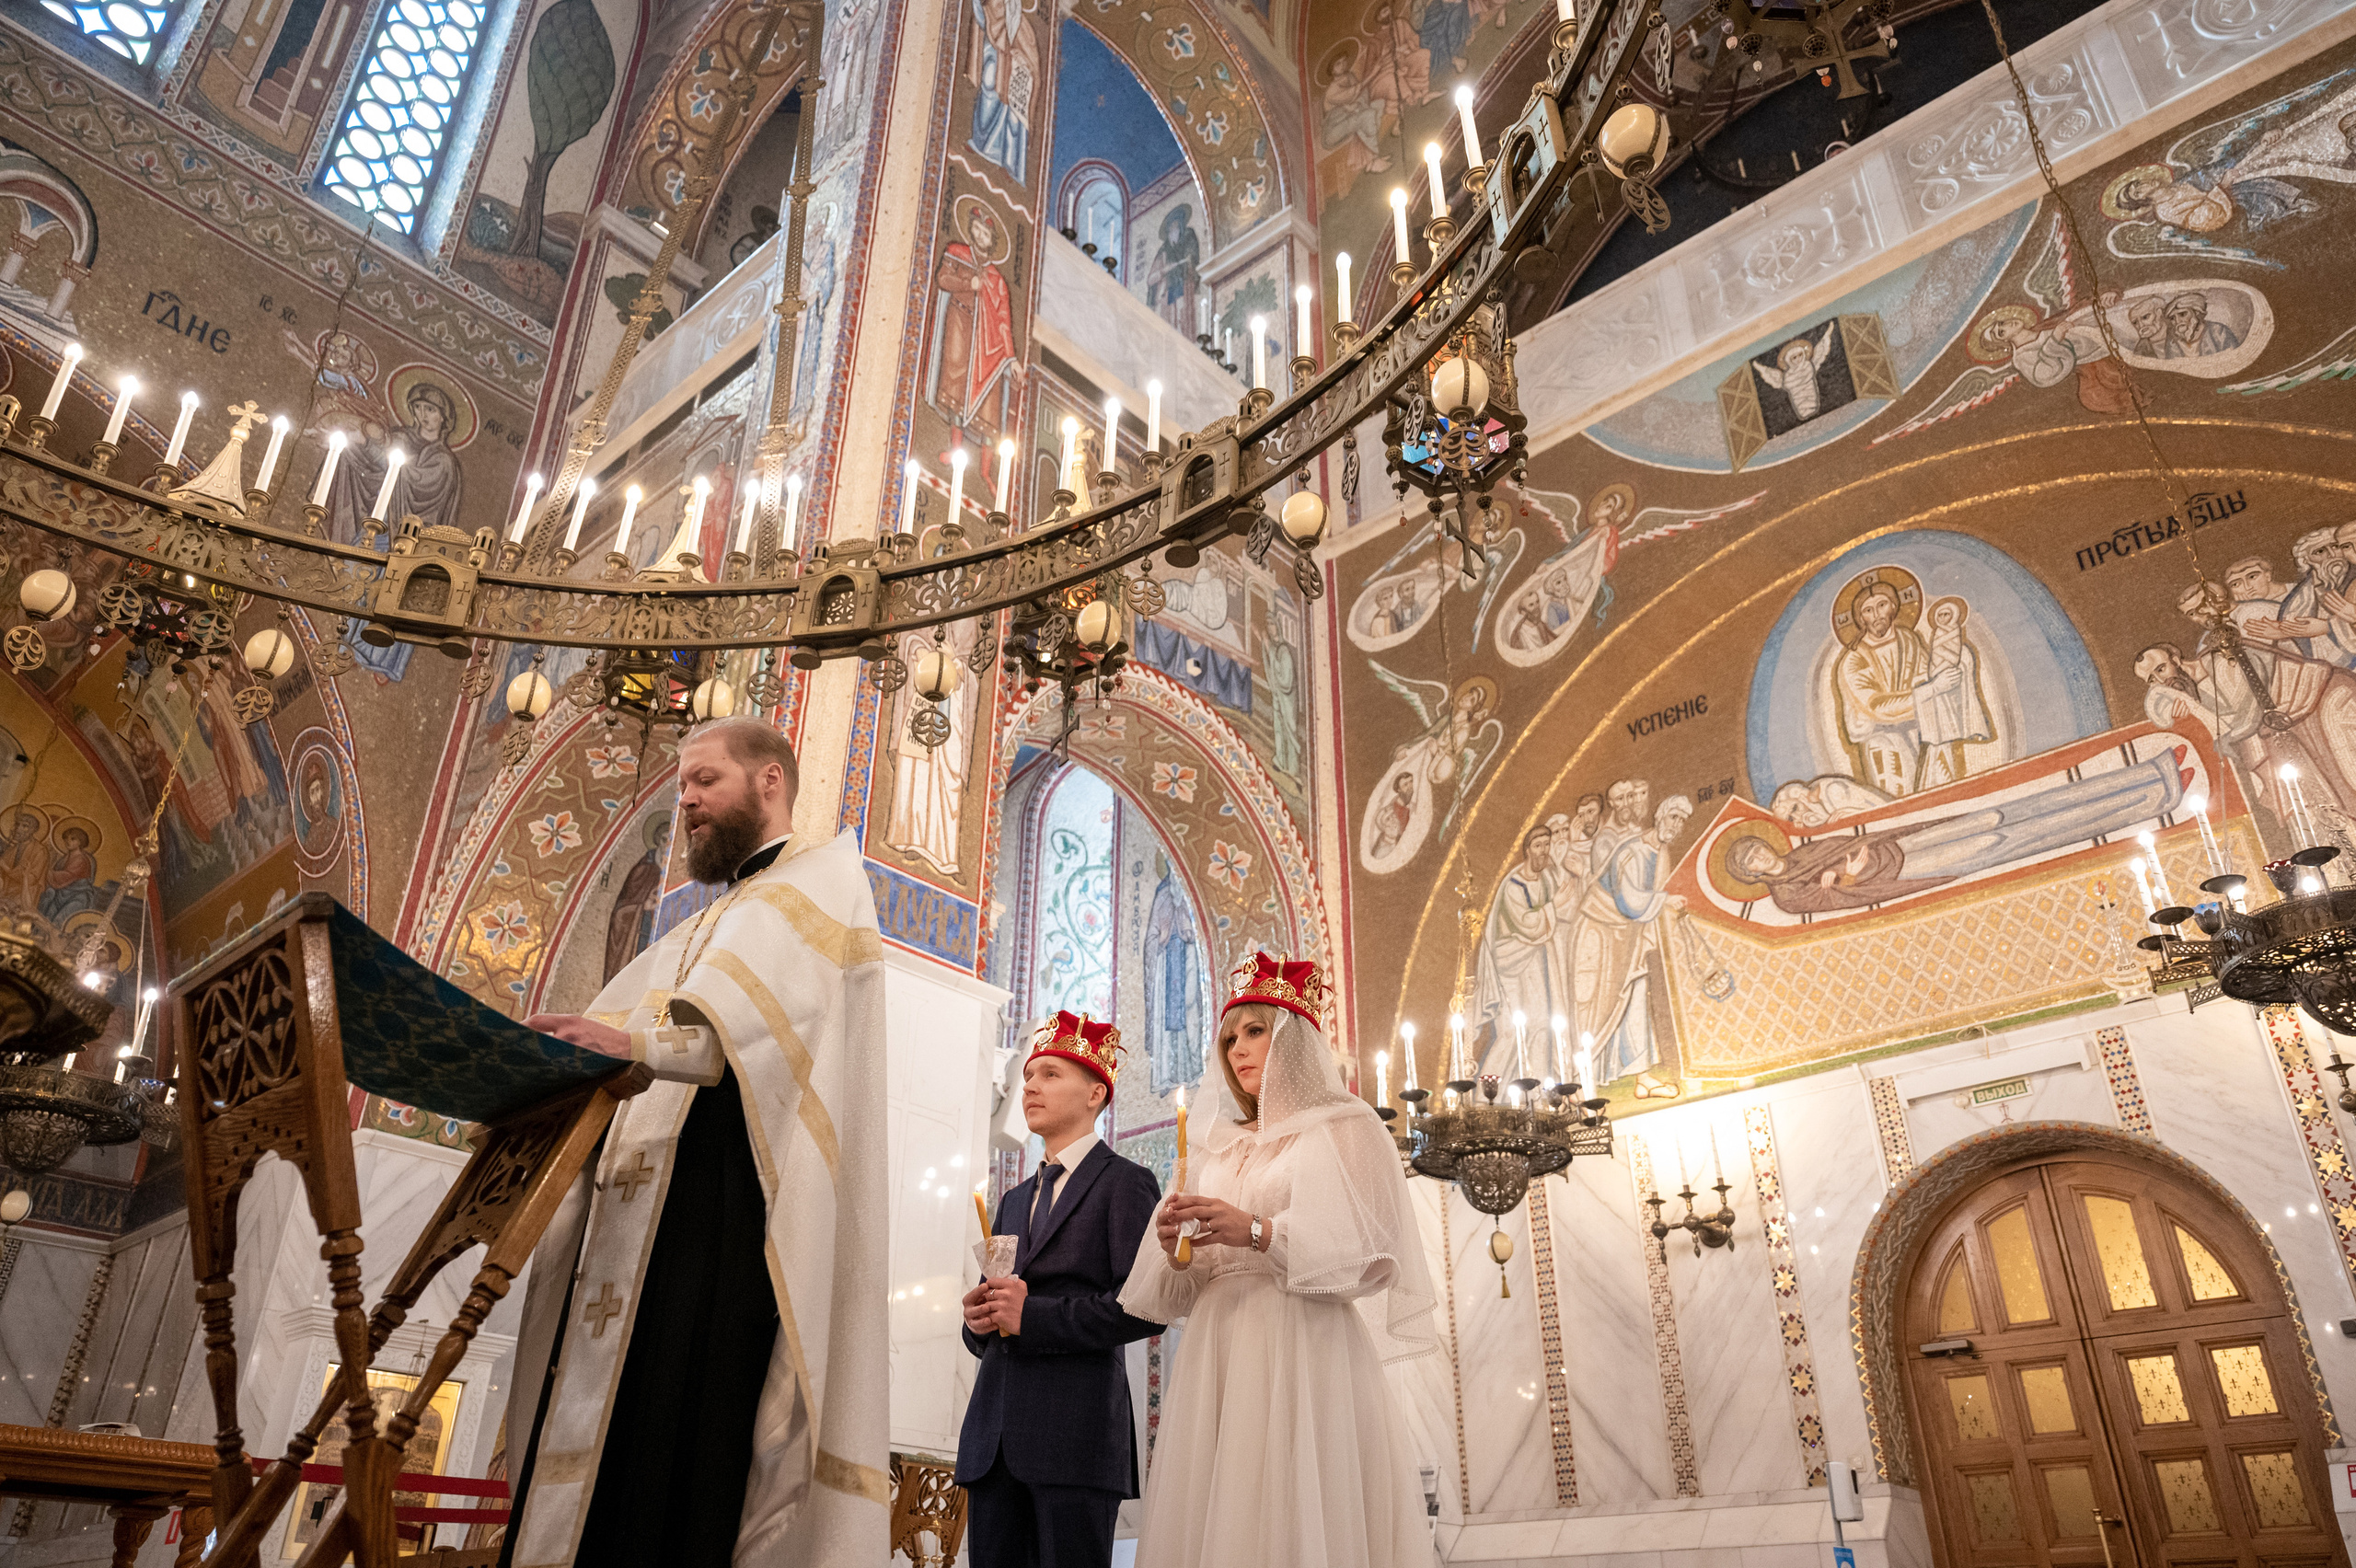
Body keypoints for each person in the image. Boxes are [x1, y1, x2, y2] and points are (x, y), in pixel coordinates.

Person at [502, 717, 889, 1568]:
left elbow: (752, 1048)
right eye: (682, 787)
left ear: (770, 782)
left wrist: (633, 1047)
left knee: (682, 1453)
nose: (686, 802)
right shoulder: (694, 929)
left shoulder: (824, 887)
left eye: (705, 781)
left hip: (726, 1220)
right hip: (637, 1223)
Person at [1119, 953, 1437, 1567]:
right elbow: (1173, 1295)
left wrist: (1257, 1230)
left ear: (1294, 1040)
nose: (1237, 1049)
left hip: (1302, 1339)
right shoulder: (1220, 1151)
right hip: (1220, 1344)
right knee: (1223, 1508)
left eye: (1256, 1031)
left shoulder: (1346, 1125)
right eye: (1229, 1037)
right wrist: (1176, 1252)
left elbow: (1371, 1256)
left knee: (1299, 1502)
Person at [956, 1013, 1162, 1567]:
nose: (1030, 1086)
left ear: (1096, 1092)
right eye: (1029, 1076)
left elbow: (1145, 1307)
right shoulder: (1014, 1199)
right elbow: (996, 1313)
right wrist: (978, 1320)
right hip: (993, 1438)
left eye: (1049, 1074)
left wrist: (1034, 1317)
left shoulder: (1126, 1183)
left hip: (1075, 1436)